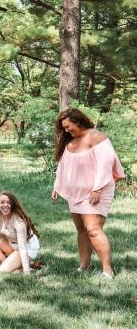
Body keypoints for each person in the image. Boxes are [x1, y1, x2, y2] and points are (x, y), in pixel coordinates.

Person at [52, 108, 125, 278]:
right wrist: (57, 186)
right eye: (64, 128)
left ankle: (107, 269)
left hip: (97, 190)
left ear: (78, 121)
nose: (66, 130)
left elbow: (106, 163)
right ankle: (84, 265)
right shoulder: (70, 143)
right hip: (75, 192)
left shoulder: (95, 136)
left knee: (93, 229)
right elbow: (63, 167)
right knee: (81, 230)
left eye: (68, 126)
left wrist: (97, 188)